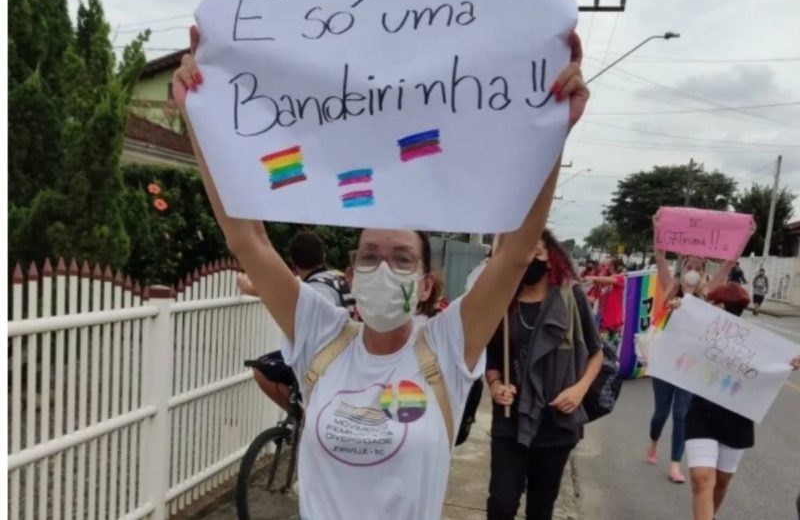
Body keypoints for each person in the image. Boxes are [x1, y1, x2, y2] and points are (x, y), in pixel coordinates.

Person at [173, 26, 590, 519]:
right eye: (369, 256)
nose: (383, 268)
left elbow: (515, 253)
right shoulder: (319, 333)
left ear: (426, 284)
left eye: (402, 258)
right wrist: (198, 117)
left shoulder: (447, 347)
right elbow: (248, 239)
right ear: (350, 274)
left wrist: (553, 131)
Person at [485, 230, 603, 520]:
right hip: (511, 419)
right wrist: (496, 385)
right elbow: (492, 360)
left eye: (535, 253)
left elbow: (596, 353)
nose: (528, 260)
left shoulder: (570, 297)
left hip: (555, 423)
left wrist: (578, 391)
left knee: (540, 509)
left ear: (551, 257)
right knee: (501, 504)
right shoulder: (502, 302)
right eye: (520, 253)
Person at [682, 283, 800, 520]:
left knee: (721, 481)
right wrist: (673, 313)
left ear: (723, 306)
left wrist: (790, 361)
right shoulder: (699, 329)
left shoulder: (755, 342)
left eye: (714, 303)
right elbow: (674, 341)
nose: (709, 307)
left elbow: (773, 364)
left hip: (738, 416)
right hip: (702, 412)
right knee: (701, 477)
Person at [239, 230, 354, 411]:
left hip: (321, 361)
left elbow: (275, 290)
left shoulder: (313, 288)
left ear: (293, 262)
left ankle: (302, 416)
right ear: (323, 255)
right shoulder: (336, 277)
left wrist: (245, 284)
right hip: (343, 355)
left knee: (261, 369)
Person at [648, 249, 735, 483]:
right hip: (665, 361)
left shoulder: (707, 295)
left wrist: (745, 235)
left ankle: (675, 464)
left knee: (681, 415)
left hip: (689, 365)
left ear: (705, 273)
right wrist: (659, 229)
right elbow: (659, 257)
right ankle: (653, 442)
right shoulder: (671, 287)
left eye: (699, 268)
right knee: (661, 413)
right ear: (682, 269)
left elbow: (729, 264)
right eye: (690, 267)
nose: (693, 272)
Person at [583, 258, 626, 346]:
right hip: (602, 322)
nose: (602, 268)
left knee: (613, 349)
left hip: (615, 321)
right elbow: (591, 298)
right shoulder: (600, 283)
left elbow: (610, 280)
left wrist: (590, 278)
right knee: (602, 349)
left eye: (604, 266)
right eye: (601, 266)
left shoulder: (620, 278)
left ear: (612, 267)